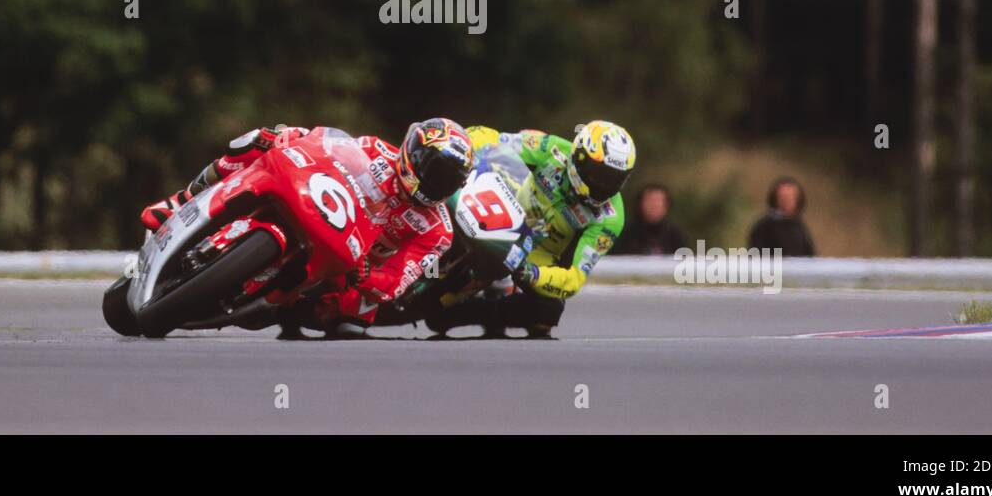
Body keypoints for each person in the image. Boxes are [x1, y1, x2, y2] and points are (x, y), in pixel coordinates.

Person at [140, 119, 475, 338]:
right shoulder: (376, 150)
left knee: (349, 324)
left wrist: (368, 277)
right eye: (433, 170)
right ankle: (181, 201)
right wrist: (290, 136)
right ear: (413, 153)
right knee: (256, 143)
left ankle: (282, 305)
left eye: (447, 180)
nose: (435, 183)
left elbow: (399, 280)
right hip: (317, 207)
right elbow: (324, 146)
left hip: (352, 265)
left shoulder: (437, 231)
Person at [425, 121, 636, 339]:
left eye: (614, 179)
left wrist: (532, 274)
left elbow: (574, 278)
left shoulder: (611, 218)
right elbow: (493, 139)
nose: (604, 185)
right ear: (580, 158)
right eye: (600, 174)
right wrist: (463, 146)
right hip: (502, 212)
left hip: (537, 256)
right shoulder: (551, 149)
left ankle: (478, 312)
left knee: (548, 311)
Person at [747, 176, 816, 257]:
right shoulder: (763, 227)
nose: (787, 201)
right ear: (775, 198)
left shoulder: (799, 226)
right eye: (783, 197)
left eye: (791, 197)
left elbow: (809, 256)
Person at [613, 183, 687, 255]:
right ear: (640, 203)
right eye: (650, 201)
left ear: (667, 206)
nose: (654, 205)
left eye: (659, 201)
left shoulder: (674, 235)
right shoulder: (625, 234)